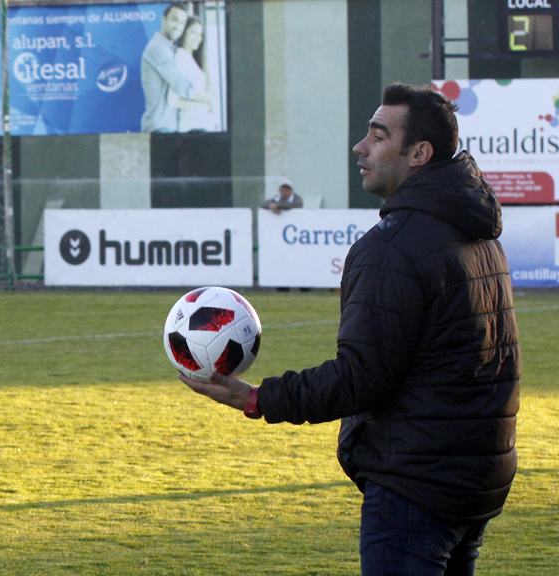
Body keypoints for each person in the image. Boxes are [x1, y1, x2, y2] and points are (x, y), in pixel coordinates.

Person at [180, 83, 519, 576]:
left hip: (416, 483)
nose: (359, 148)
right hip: (476, 476)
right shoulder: (478, 232)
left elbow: (361, 377)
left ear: (419, 153)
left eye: (378, 136)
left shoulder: (393, 247)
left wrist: (256, 399)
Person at [139, 3, 214, 132]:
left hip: (170, 126)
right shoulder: (158, 48)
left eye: (182, 23)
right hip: (159, 127)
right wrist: (207, 99)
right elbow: (181, 85)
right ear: (163, 20)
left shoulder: (171, 50)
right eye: (174, 20)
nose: (178, 26)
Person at [167, 16, 219, 132]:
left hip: (203, 125)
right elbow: (173, 100)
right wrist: (205, 101)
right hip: (193, 127)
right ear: (183, 33)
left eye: (200, 34)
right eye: (193, 32)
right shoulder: (180, 56)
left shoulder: (192, 60)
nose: (198, 38)